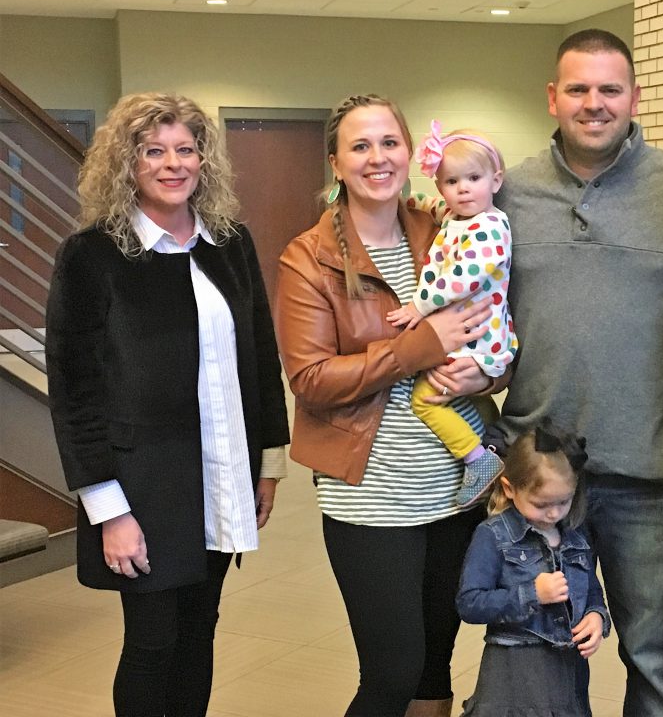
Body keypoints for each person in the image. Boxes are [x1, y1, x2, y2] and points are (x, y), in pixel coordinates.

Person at [45, 92, 290, 717]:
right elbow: (74, 392)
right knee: (152, 642)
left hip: (222, 474)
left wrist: (268, 463)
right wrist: (108, 510)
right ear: (126, 163)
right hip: (141, 487)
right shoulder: (92, 254)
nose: (172, 164)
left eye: (186, 149)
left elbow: (260, 356)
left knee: (199, 629)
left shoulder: (228, 243)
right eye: (153, 151)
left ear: (204, 160)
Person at [495, 29, 663, 716]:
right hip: (537, 472)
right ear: (553, 97)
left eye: (610, 89)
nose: (594, 103)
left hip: (649, 478)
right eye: (579, 89)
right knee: (539, 650)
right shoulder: (508, 193)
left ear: (634, 98)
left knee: (652, 655)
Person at [274, 94, 495, 717]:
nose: (378, 158)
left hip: (456, 484)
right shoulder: (309, 256)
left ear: (410, 152)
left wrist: (486, 374)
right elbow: (311, 379)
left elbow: (491, 321)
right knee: (392, 672)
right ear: (335, 163)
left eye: (390, 142)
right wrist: (417, 347)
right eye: (360, 146)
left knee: (434, 665)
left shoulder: (442, 227)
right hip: (371, 496)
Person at [386, 121, 517, 507]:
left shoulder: (490, 227)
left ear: (496, 180)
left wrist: (418, 305)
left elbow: (461, 278)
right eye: (451, 181)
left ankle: (477, 459)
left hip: (478, 337)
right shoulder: (458, 217)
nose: (463, 189)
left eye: (474, 178)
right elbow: (435, 207)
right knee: (455, 395)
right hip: (466, 335)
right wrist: (412, 202)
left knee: (424, 399)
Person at [457, 422, 609, 716]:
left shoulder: (575, 536)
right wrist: (531, 594)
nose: (553, 513)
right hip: (513, 676)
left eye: (563, 502)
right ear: (510, 488)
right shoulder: (492, 535)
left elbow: (591, 590)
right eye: (541, 504)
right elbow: (470, 603)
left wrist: (596, 616)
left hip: (567, 677)